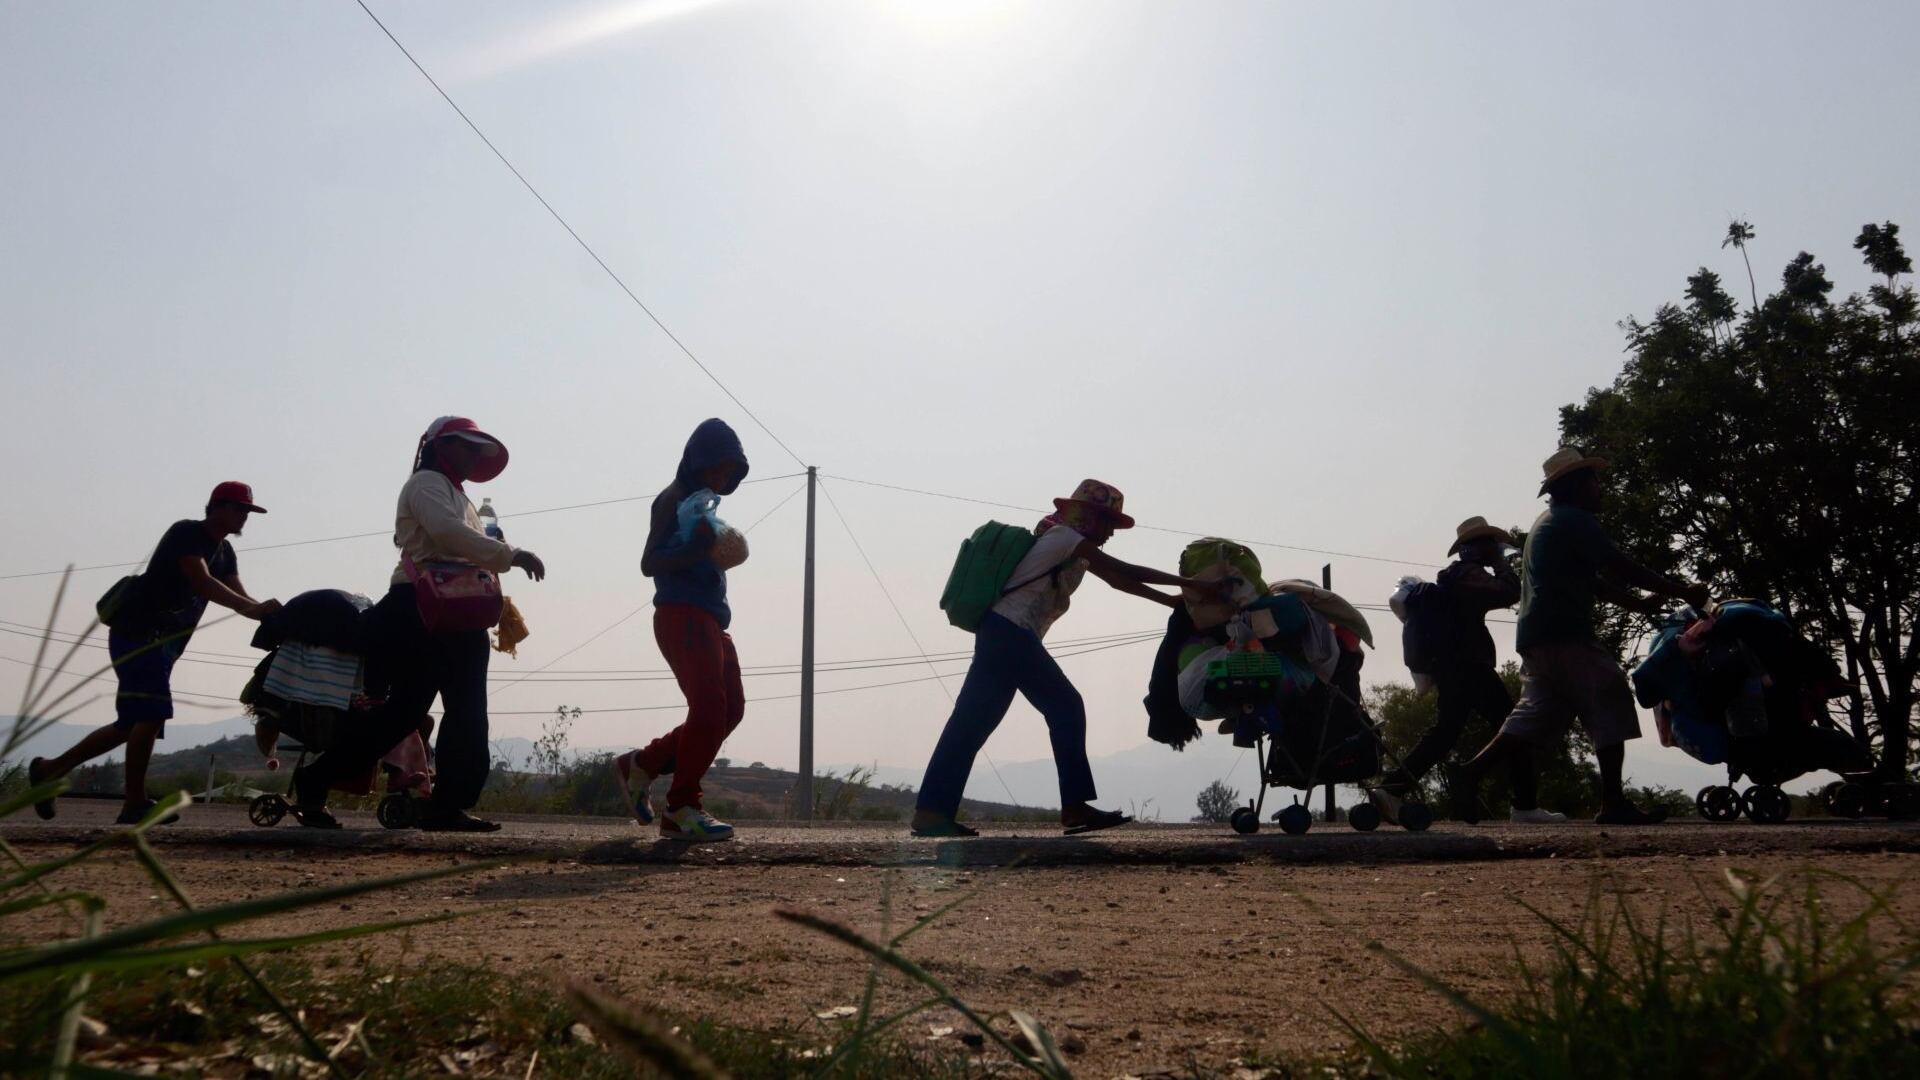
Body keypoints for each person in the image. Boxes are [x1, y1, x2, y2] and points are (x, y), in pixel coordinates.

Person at [910, 480, 1230, 838]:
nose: (1111, 531)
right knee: (1066, 706)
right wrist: (1195, 585)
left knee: (971, 723)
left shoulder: (1070, 546)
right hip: (1011, 632)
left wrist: (1172, 601)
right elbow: (1126, 570)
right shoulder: (1064, 538)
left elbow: (1118, 581)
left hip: (999, 633)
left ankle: (931, 812)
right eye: (1107, 522)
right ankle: (1075, 807)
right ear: (1087, 517)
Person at [292, 416, 545, 831]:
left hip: (456, 605)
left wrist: (498, 556)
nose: (473, 456)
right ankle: (317, 778)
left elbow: (464, 544)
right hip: (419, 605)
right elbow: (446, 535)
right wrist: (509, 554)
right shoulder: (425, 484)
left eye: (477, 450)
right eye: (466, 447)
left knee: (466, 711)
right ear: (441, 447)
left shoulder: (459, 496)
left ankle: (448, 804)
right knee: (405, 713)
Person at [1447, 449, 1709, 826]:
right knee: (1610, 692)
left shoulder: (1548, 523)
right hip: (1564, 632)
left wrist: (1638, 605)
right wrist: (1680, 591)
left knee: (1535, 714)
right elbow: (1618, 565)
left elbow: (1594, 581)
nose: (1600, 489)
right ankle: (1613, 803)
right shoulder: (1574, 520)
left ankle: (1469, 773)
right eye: (1594, 482)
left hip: (1537, 636)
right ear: (1574, 487)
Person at [30, 483, 280, 824]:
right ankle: (134, 803)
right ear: (217, 507)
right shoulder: (187, 533)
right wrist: (253, 610)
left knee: (130, 723)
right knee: (151, 714)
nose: (244, 518)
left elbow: (240, 596)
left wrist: (268, 613)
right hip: (139, 634)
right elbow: (202, 582)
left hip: (164, 644)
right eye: (239, 510)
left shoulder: (225, 553)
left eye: (248, 512)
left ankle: (49, 770)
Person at [613, 419, 752, 844]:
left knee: (730, 710)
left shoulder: (702, 505)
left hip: (710, 618)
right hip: (682, 614)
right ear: (696, 462)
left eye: (728, 473)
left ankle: (643, 764)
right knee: (709, 708)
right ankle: (681, 807)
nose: (721, 478)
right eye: (715, 469)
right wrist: (695, 549)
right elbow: (649, 562)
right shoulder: (672, 500)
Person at [1381, 517, 1565, 824]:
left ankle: (1393, 787)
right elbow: (1509, 592)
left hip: (1456, 665)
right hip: (1468, 665)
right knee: (1514, 726)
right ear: (1474, 548)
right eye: (1490, 544)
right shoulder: (1466, 573)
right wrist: (1499, 564)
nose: (1495, 549)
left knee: (1446, 732)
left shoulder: (1457, 576)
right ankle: (1524, 804)